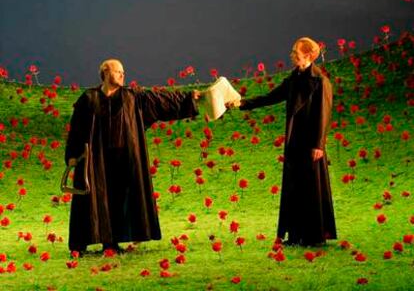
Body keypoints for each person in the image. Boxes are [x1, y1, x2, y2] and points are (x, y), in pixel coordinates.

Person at [65, 59, 200, 254]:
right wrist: (71, 155)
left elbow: (161, 101)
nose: (122, 74)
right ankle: (81, 244)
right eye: (117, 71)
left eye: (123, 71)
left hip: (125, 159)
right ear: (105, 73)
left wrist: (189, 98)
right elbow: (76, 129)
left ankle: (111, 243)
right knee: (93, 199)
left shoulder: (132, 96)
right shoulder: (89, 98)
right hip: (97, 161)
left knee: (121, 199)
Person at [229, 37, 336, 246]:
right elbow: (270, 97)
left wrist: (318, 145)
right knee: (294, 188)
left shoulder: (320, 81)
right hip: (295, 141)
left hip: (311, 144)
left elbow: (323, 114)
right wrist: (242, 103)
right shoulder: (294, 78)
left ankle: (314, 236)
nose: (292, 56)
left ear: (308, 55)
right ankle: (295, 235)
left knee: (311, 188)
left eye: (296, 53)